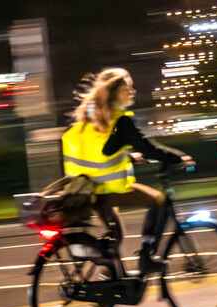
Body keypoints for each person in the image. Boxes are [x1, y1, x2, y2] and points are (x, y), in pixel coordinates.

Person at [62, 67, 194, 275]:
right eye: (127, 89)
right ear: (115, 92)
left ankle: (110, 280)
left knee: (116, 234)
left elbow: (100, 150)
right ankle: (146, 258)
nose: (131, 93)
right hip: (106, 189)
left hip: (85, 189)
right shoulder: (119, 120)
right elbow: (148, 147)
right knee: (158, 201)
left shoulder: (90, 116)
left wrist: (130, 157)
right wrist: (178, 157)